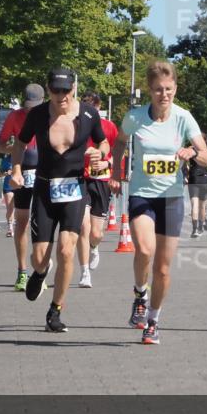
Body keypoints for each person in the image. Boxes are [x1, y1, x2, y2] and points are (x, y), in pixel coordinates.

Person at [111, 62, 207, 345]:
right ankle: (140, 294)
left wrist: (193, 151)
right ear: (150, 91)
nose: (163, 94)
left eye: (168, 89)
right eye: (158, 90)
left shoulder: (183, 118)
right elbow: (120, 142)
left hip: (171, 198)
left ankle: (153, 320)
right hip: (142, 193)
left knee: (163, 269)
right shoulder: (135, 117)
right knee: (143, 250)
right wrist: (117, 173)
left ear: (175, 89)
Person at [10, 69, 107, 332]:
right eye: (56, 90)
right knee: (40, 257)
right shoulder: (39, 115)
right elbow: (20, 144)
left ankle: (55, 310)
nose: (61, 96)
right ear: (49, 89)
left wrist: (100, 155)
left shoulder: (88, 113)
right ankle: (40, 273)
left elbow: (103, 143)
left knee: (66, 250)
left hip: (75, 190)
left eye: (66, 90)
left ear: (74, 88)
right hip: (44, 190)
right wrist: (16, 170)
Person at [0, 84, 46, 291]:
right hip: (22, 172)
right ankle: (22, 272)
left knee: (43, 223)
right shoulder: (14, 117)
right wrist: (16, 147)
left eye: (34, 106)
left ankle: (40, 267)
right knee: (22, 222)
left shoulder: (51, 115)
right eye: (27, 106)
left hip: (45, 172)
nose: (30, 110)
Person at [76, 91, 119, 289]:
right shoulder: (75, 124)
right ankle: (84, 272)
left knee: (96, 232)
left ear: (99, 108)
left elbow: (118, 152)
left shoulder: (109, 127)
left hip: (101, 180)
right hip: (80, 180)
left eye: (93, 107)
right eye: (86, 106)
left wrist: (109, 164)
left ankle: (94, 247)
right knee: (83, 227)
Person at [185, 156, 207, 238]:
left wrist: (185, 174)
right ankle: (200, 227)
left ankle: (194, 229)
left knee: (194, 206)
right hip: (204, 180)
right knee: (202, 206)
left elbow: (183, 163)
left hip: (193, 178)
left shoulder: (190, 150)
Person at [0, 154, 16, 236]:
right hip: (8, 186)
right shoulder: (5, 159)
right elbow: (0, 173)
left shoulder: (23, 156)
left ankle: (21, 225)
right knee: (10, 207)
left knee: (20, 207)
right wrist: (6, 173)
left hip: (20, 184)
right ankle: (10, 228)